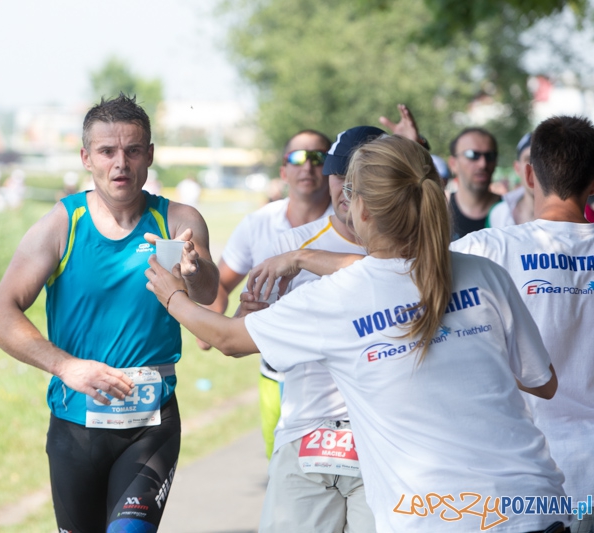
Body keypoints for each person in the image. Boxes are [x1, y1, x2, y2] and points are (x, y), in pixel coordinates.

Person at [145, 134, 569, 533]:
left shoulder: (339, 299)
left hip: (438, 515)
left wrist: (173, 294)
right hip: (537, 505)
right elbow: (543, 383)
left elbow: (226, 339)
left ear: (360, 209)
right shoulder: (484, 273)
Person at [0, 93, 219, 533]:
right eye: (108, 151)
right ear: (86, 158)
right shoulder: (62, 224)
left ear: (149, 155)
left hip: (152, 424)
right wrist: (66, 367)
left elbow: (207, 295)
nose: (121, 163)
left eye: (132, 150)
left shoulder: (179, 221)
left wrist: (194, 267)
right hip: (75, 427)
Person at [452, 115, 594, 533]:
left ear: (529, 173)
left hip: (526, 477)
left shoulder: (487, 248)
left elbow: (403, 270)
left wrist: (307, 257)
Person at [252, 126, 383, 533]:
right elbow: (248, 333)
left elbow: (392, 272)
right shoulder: (288, 246)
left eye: (362, 178)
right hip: (307, 433)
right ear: (329, 177)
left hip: (385, 439)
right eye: (341, 176)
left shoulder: (412, 248)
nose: (349, 189)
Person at [200, 127, 333, 458]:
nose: (307, 167)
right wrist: (216, 326)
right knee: (281, 472)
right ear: (283, 171)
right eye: (297, 158)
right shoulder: (257, 224)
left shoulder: (350, 225)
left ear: (330, 168)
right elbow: (220, 284)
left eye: (317, 158)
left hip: (337, 378)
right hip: (275, 375)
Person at [446, 127, 501, 239]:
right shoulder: (439, 213)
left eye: (489, 156)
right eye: (472, 155)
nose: (483, 164)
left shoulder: (511, 211)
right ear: (453, 163)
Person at [488, 131, 535, 227]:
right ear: (517, 168)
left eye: (545, 161)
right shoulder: (499, 214)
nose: (537, 168)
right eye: (530, 160)